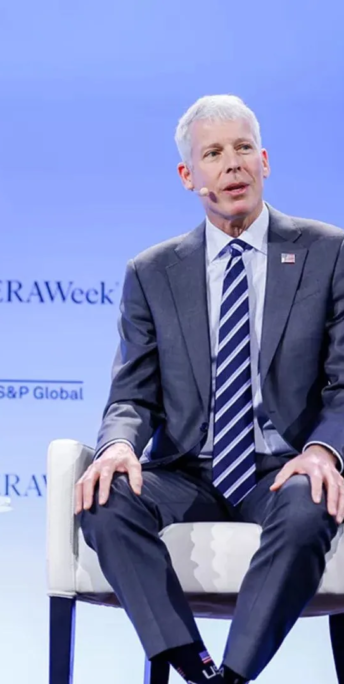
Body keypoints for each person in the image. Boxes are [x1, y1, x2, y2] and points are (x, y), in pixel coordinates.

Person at [74, 94, 344, 683]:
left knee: (311, 502)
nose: (233, 164)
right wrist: (117, 444)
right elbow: (132, 394)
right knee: (102, 498)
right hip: (187, 472)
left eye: (244, 148)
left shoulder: (328, 252)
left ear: (265, 161)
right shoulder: (152, 271)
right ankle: (195, 666)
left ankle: (233, 675)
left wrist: (323, 451)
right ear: (188, 175)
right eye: (214, 153)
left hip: (284, 468)